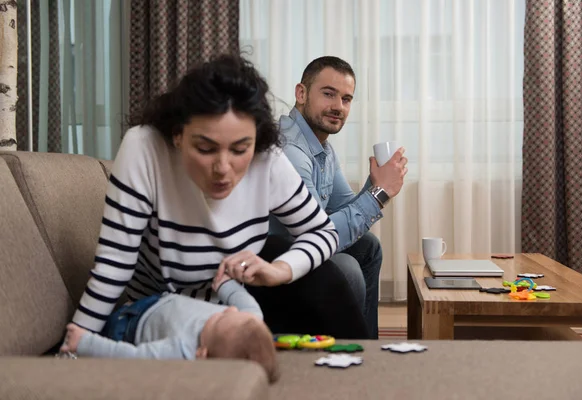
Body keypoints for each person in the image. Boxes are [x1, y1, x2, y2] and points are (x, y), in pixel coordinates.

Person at [71, 54, 369, 340]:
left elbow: (322, 232)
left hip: (236, 298)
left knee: (325, 277)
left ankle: (365, 374)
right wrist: (74, 347)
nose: (223, 169)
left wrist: (279, 270)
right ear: (178, 136)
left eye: (240, 150)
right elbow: (114, 265)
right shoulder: (145, 146)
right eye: (205, 148)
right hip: (162, 311)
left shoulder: (267, 156)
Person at [270, 56, 408, 339]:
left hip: (300, 241)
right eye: (328, 94)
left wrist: (377, 182)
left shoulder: (321, 148)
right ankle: (344, 355)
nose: (338, 107)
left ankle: (365, 345)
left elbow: (345, 210)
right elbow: (315, 234)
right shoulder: (290, 150)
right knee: (347, 268)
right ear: (301, 93)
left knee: (368, 247)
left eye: (346, 99)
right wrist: (380, 193)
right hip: (272, 252)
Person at [61, 274, 280, 383]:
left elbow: (131, 356)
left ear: (202, 354)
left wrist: (85, 342)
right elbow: (241, 299)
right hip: (161, 301)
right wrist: (225, 284)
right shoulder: (249, 319)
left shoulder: (181, 351)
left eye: (220, 317)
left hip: (130, 326)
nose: (229, 309)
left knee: (112, 327)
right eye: (231, 311)